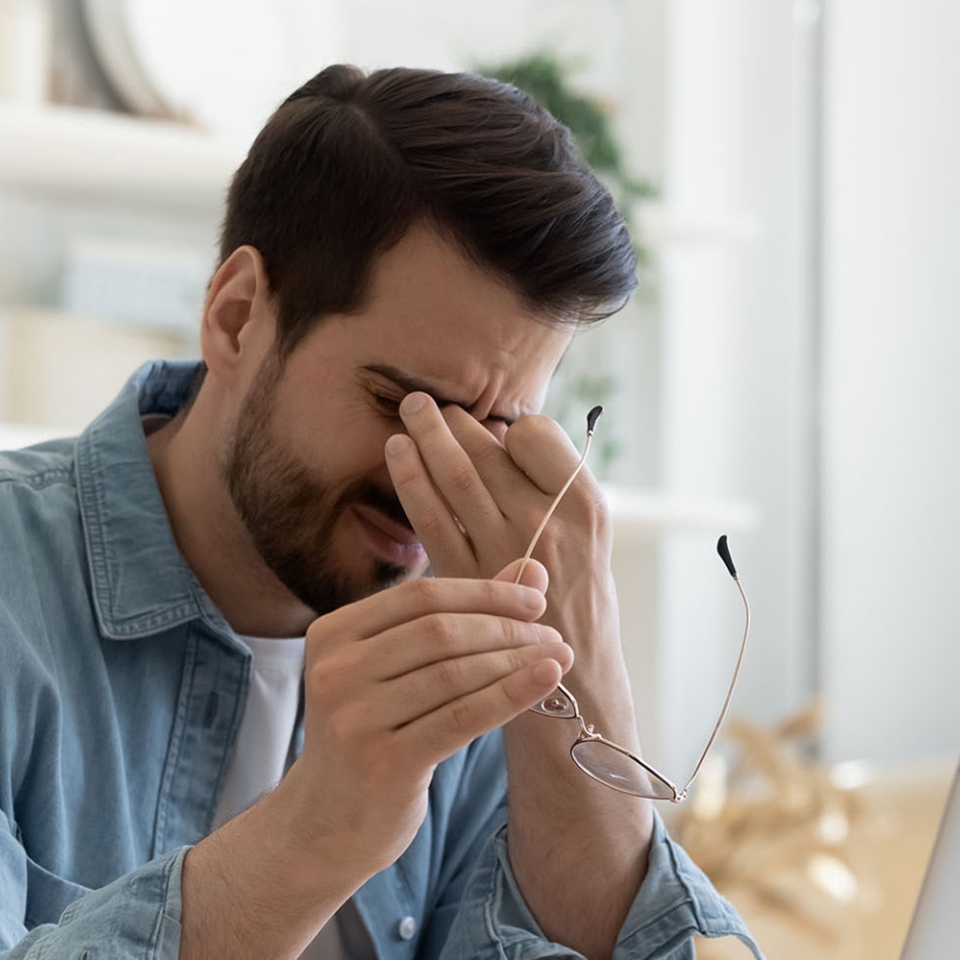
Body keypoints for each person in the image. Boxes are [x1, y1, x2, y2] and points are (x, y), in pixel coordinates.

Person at [0, 65, 763, 960]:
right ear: (238, 317)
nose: (434, 481)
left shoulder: (479, 636)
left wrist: (587, 677)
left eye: (500, 428)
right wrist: (319, 829)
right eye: (403, 404)